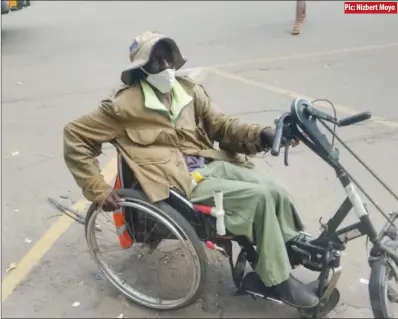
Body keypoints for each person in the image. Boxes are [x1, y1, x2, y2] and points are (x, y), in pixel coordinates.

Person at [63, 30, 318, 309]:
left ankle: (289, 246)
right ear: (141, 70)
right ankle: (277, 280)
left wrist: (263, 135)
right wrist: (97, 189)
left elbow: (222, 126)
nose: (165, 68)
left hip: (208, 163)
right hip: (177, 182)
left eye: (167, 60)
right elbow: (75, 136)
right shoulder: (123, 107)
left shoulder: (188, 91)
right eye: (155, 62)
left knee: (273, 189)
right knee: (258, 198)